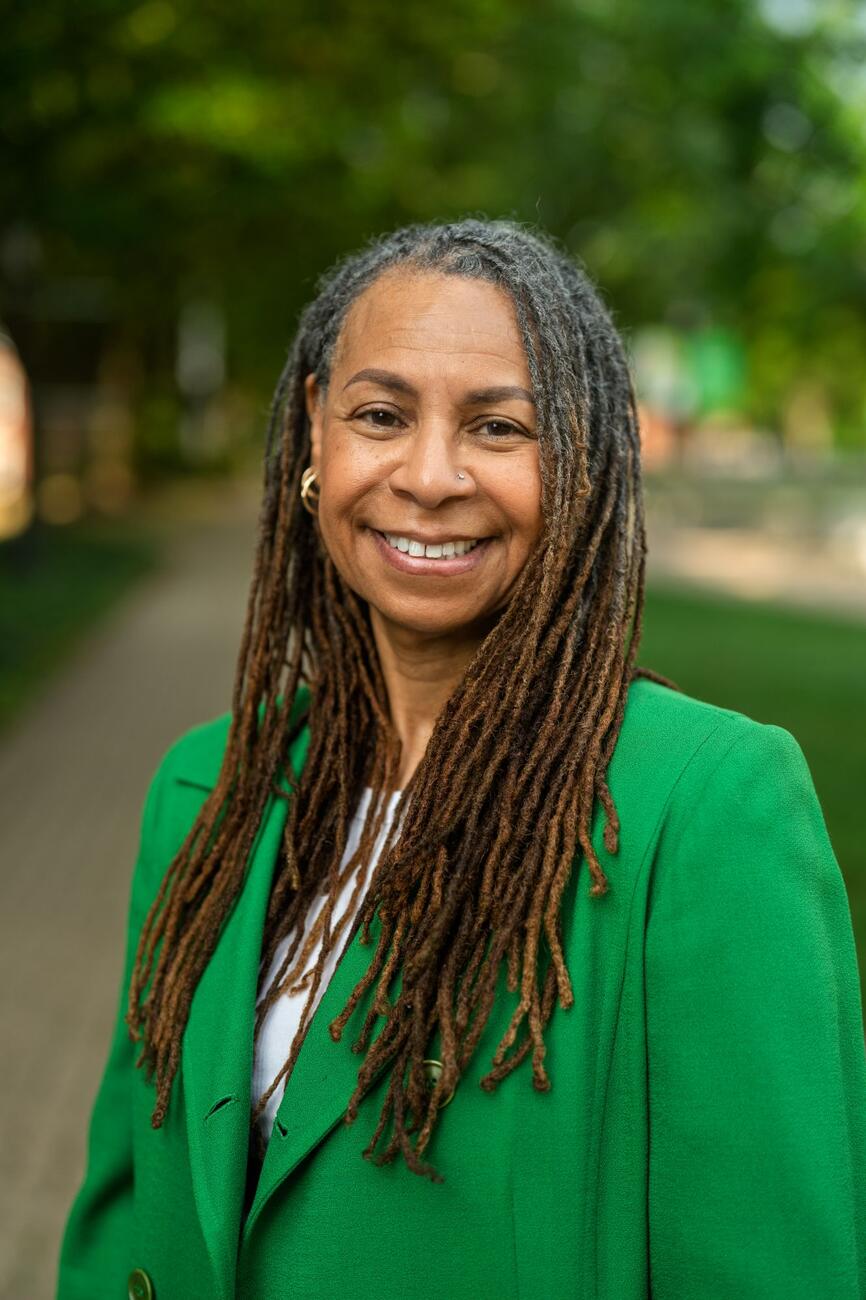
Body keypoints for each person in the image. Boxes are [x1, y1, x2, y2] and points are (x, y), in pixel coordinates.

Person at [57, 219, 866, 1300]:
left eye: (497, 427)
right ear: (313, 430)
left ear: (583, 459)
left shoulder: (703, 805)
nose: (429, 476)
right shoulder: (209, 790)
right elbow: (124, 1214)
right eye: (380, 415)